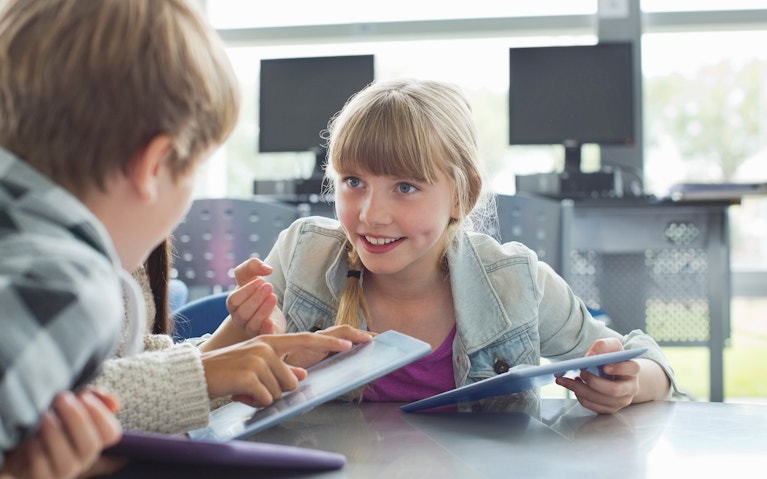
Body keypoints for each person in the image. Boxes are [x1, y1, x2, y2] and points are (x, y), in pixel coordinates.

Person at [0, 1, 361, 477]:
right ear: (154, 166)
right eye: (193, 170)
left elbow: (102, 368)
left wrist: (216, 361)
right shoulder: (69, 278)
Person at [210, 78, 681, 415]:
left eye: (405, 187)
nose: (371, 213)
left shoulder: (516, 281)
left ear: (463, 195)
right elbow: (199, 385)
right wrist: (244, 335)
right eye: (353, 181)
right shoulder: (302, 255)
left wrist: (632, 384)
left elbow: (648, 360)